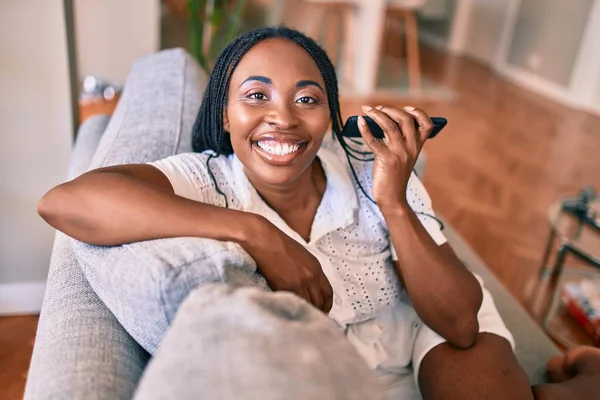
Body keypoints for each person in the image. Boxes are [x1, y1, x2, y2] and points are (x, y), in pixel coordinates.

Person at [36, 26, 593, 399]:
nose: (282, 118)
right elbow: (64, 202)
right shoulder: (206, 177)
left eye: (307, 99)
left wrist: (395, 199)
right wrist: (254, 232)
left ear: (330, 117)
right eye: (255, 96)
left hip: (422, 326)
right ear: (224, 116)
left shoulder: (365, 163)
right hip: (333, 352)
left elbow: (458, 322)